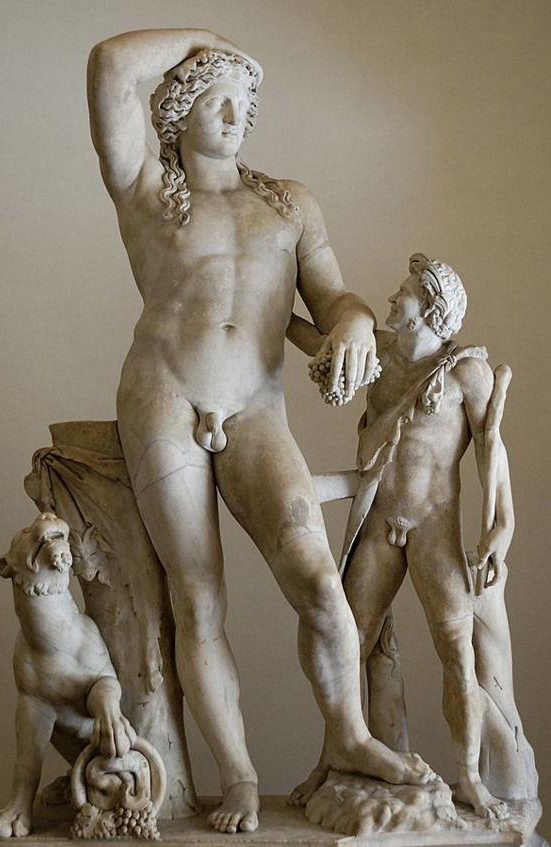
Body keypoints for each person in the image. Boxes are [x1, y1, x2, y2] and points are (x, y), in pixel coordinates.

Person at [87, 29, 433, 834]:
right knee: (198, 594)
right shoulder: (144, 185)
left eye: (245, 102)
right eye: (218, 97)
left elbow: (333, 296)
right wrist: (208, 43)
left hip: (255, 406)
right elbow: (109, 65)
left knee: (315, 575)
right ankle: (237, 775)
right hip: (165, 399)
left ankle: (347, 736)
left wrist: (351, 324)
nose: (235, 114)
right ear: (179, 109)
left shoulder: (287, 202)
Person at [337, 254, 513, 820]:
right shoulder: (380, 354)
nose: (393, 299)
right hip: (379, 524)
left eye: (404, 293)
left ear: (431, 309)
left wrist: (502, 524)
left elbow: (491, 448)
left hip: (433, 527)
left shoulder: (467, 373)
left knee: (457, 655)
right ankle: (338, 756)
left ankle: (469, 777)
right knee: (345, 643)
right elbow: (317, 337)